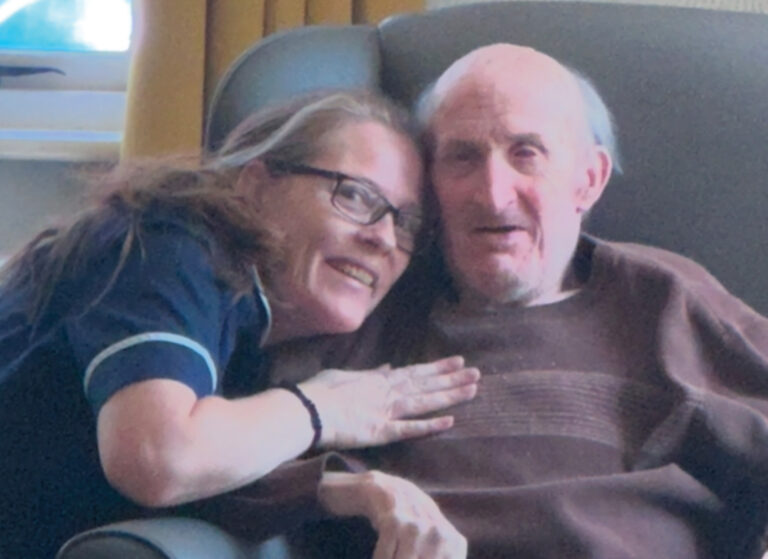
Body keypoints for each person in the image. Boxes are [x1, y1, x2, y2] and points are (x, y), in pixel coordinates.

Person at [205, 45, 768, 558]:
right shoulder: (366, 305)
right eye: (462, 157)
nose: (493, 195)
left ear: (588, 180)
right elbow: (211, 473)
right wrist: (355, 490)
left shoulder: (661, 300)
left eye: (526, 154)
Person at [0, 90, 480, 558]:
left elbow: (208, 467)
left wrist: (345, 490)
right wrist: (324, 407)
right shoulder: (170, 245)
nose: (383, 238)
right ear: (256, 186)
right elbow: (157, 458)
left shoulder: (258, 324)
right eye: (354, 195)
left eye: (405, 222)